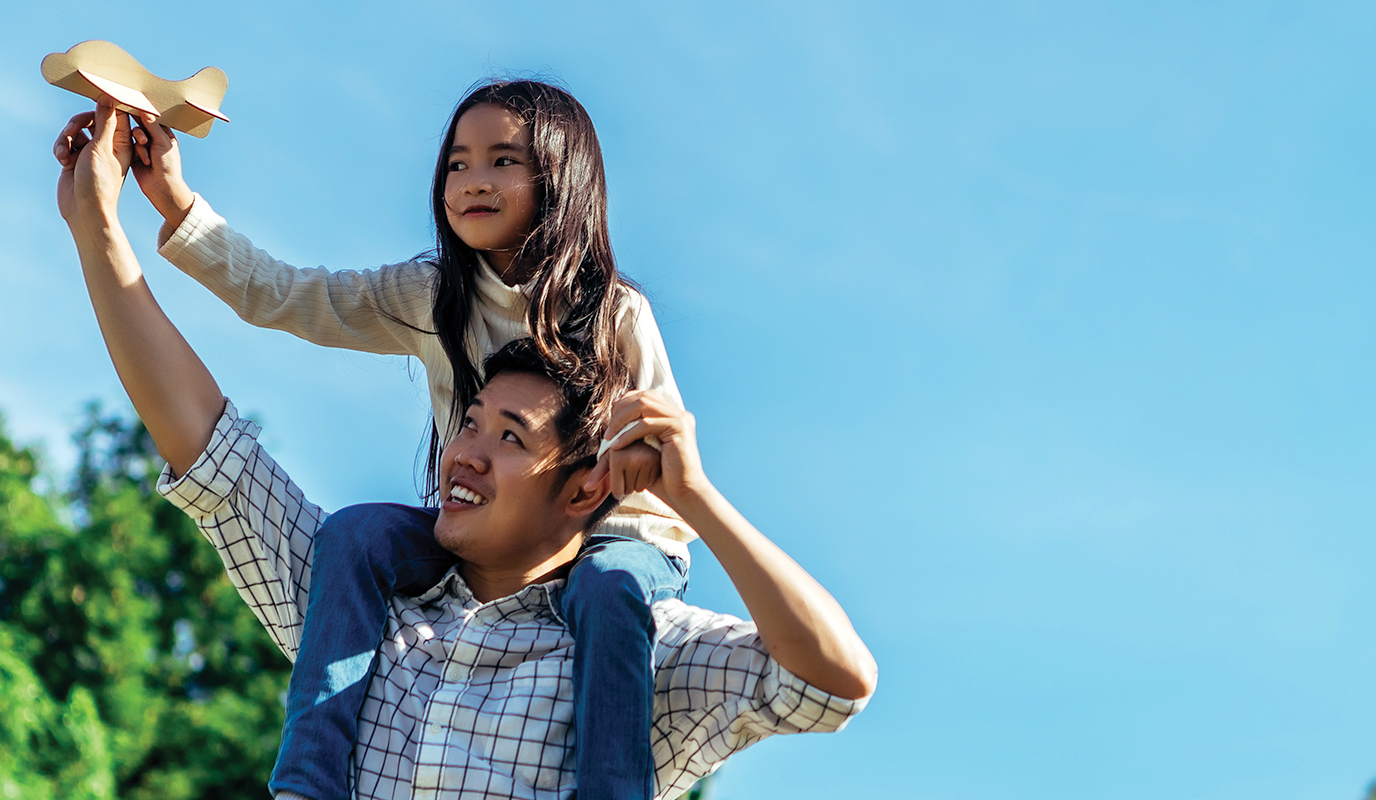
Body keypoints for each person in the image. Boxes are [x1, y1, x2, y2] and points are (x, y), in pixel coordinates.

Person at [57, 101, 877, 800]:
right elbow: (228, 420)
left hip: (629, 543)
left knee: (607, 589)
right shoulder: (361, 620)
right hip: (468, 558)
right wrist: (129, 215)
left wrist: (694, 496)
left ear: (558, 182)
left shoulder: (630, 657)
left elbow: (833, 680)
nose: (474, 181)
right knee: (354, 532)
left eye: (502, 162)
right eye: (457, 163)